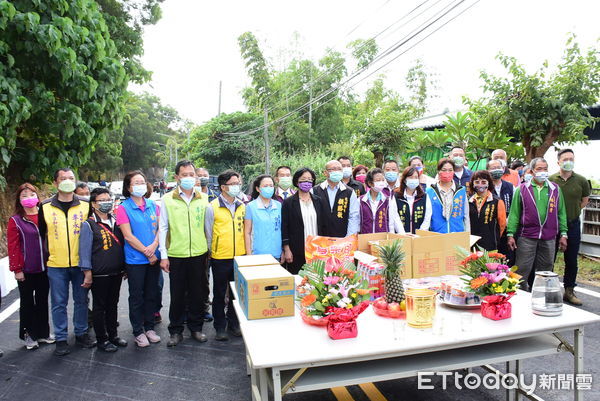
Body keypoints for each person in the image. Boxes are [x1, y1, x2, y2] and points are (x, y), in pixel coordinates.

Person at [38, 168, 94, 356]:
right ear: (55, 183)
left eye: (71, 178)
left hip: (80, 264)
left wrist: (88, 265)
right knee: (58, 303)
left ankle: (81, 333)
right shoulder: (45, 207)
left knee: (81, 301)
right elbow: (41, 235)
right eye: (63, 179)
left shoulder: (86, 205)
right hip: (56, 264)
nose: (68, 181)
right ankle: (61, 338)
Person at [159, 161, 211, 347]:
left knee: (198, 293)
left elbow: (208, 227)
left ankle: (196, 328)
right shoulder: (167, 199)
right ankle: (176, 330)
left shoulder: (204, 198)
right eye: (185, 174)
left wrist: (209, 249)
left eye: (192, 174)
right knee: (178, 294)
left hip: (199, 253)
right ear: (177, 177)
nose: (189, 178)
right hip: (177, 253)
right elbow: (163, 227)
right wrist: (163, 255)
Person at [507, 157, 568, 291]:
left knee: (546, 269)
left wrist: (564, 233)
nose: (543, 172)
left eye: (545, 169)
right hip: (527, 235)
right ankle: (520, 294)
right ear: (532, 171)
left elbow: (561, 212)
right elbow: (514, 213)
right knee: (522, 268)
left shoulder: (555, 189)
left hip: (549, 236)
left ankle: (542, 296)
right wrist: (510, 234)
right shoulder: (522, 189)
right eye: (539, 169)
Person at [116, 170, 162, 347]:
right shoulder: (123, 208)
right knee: (137, 296)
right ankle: (138, 331)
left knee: (152, 294)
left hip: (153, 258)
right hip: (136, 260)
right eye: (136, 182)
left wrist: (154, 247)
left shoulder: (153, 205)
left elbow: (160, 229)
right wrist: (146, 251)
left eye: (142, 181)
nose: (140, 185)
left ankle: (149, 327)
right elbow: (128, 236)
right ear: (128, 187)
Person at [79, 187, 127, 352]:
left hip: (116, 272)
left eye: (108, 199)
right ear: (93, 204)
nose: (106, 203)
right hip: (100, 274)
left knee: (113, 305)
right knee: (100, 307)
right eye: (101, 200)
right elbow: (84, 251)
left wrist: (125, 267)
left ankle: (113, 335)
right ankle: (102, 339)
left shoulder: (116, 221)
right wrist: (87, 273)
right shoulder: (88, 224)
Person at [8, 183, 54, 350]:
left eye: (31, 194)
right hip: (26, 270)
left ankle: (43, 333)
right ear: (19, 200)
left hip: (46, 268)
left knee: (42, 301)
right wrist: (17, 269)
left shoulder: (45, 216)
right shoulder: (16, 220)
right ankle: (29, 335)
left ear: (37, 197)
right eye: (24, 195)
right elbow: (13, 247)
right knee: (27, 302)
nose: (28, 198)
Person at [204, 170, 246, 341]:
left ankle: (234, 323)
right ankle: (220, 326)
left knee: (237, 293)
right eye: (233, 184)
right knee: (220, 293)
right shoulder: (212, 207)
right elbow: (208, 232)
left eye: (238, 183)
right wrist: (211, 253)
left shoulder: (242, 205)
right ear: (223, 187)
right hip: (220, 256)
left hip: (239, 256)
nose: (236, 186)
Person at [550, 149, 591, 305]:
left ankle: (569, 290)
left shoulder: (581, 180)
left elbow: (584, 201)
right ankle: (550, 290)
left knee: (571, 260)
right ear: (558, 162)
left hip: (573, 224)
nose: (568, 161)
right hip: (553, 225)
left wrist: (570, 214)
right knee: (550, 258)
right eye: (565, 158)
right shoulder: (551, 179)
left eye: (571, 159)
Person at [281, 168, 323, 274]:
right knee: (298, 281)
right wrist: (287, 249)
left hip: (316, 250)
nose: (307, 182)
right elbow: (284, 227)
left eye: (310, 179)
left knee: (316, 282)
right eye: (303, 179)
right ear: (297, 181)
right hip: (297, 250)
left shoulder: (319, 201)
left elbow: (324, 225)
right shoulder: (288, 202)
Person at [312, 160, 360, 238]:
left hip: (342, 238)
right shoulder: (315, 190)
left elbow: (353, 216)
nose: (336, 172)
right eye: (333, 169)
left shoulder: (349, 192)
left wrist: (348, 238)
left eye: (339, 169)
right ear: (325, 173)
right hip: (319, 238)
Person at [423, 158, 470, 233]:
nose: (447, 172)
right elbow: (426, 217)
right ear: (438, 172)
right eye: (444, 170)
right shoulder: (430, 191)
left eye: (450, 170)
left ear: (454, 172)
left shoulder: (461, 190)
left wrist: (467, 234)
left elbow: (466, 216)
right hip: (437, 234)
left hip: (457, 234)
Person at [195, 167, 216, 322]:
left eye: (205, 175)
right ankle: (201, 308)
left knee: (212, 278)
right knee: (201, 279)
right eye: (199, 175)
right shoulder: (192, 196)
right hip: (198, 244)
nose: (202, 178)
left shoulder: (214, 195)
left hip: (215, 243)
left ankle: (209, 305)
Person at [244, 175, 282, 260]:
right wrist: (249, 254)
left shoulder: (279, 206)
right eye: (265, 186)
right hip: (257, 255)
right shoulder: (251, 206)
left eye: (271, 186)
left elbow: (281, 229)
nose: (269, 188)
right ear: (258, 189)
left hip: (276, 254)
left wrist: (283, 251)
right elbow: (247, 232)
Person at [468, 170, 507, 251]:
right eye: (477, 182)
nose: (480, 184)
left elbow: (502, 224)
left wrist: (495, 236)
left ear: (489, 183)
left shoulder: (497, 201)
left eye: (483, 182)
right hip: (472, 241)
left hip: (490, 242)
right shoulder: (469, 201)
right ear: (472, 183)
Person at [359, 168, 403, 234]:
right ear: (370, 183)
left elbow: (393, 219)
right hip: (366, 237)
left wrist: (398, 234)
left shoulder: (388, 199)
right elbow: (356, 221)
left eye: (383, 180)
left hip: (383, 238)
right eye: (378, 180)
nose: (381, 183)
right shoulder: (361, 200)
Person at [396, 167, 430, 234]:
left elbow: (427, 218)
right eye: (411, 177)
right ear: (405, 180)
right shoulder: (397, 196)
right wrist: (403, 234)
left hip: (419, 237)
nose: (413, 180)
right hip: (401, 236)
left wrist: (420, 233)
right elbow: (395, 218)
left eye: (416, 177)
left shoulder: (424, 197)